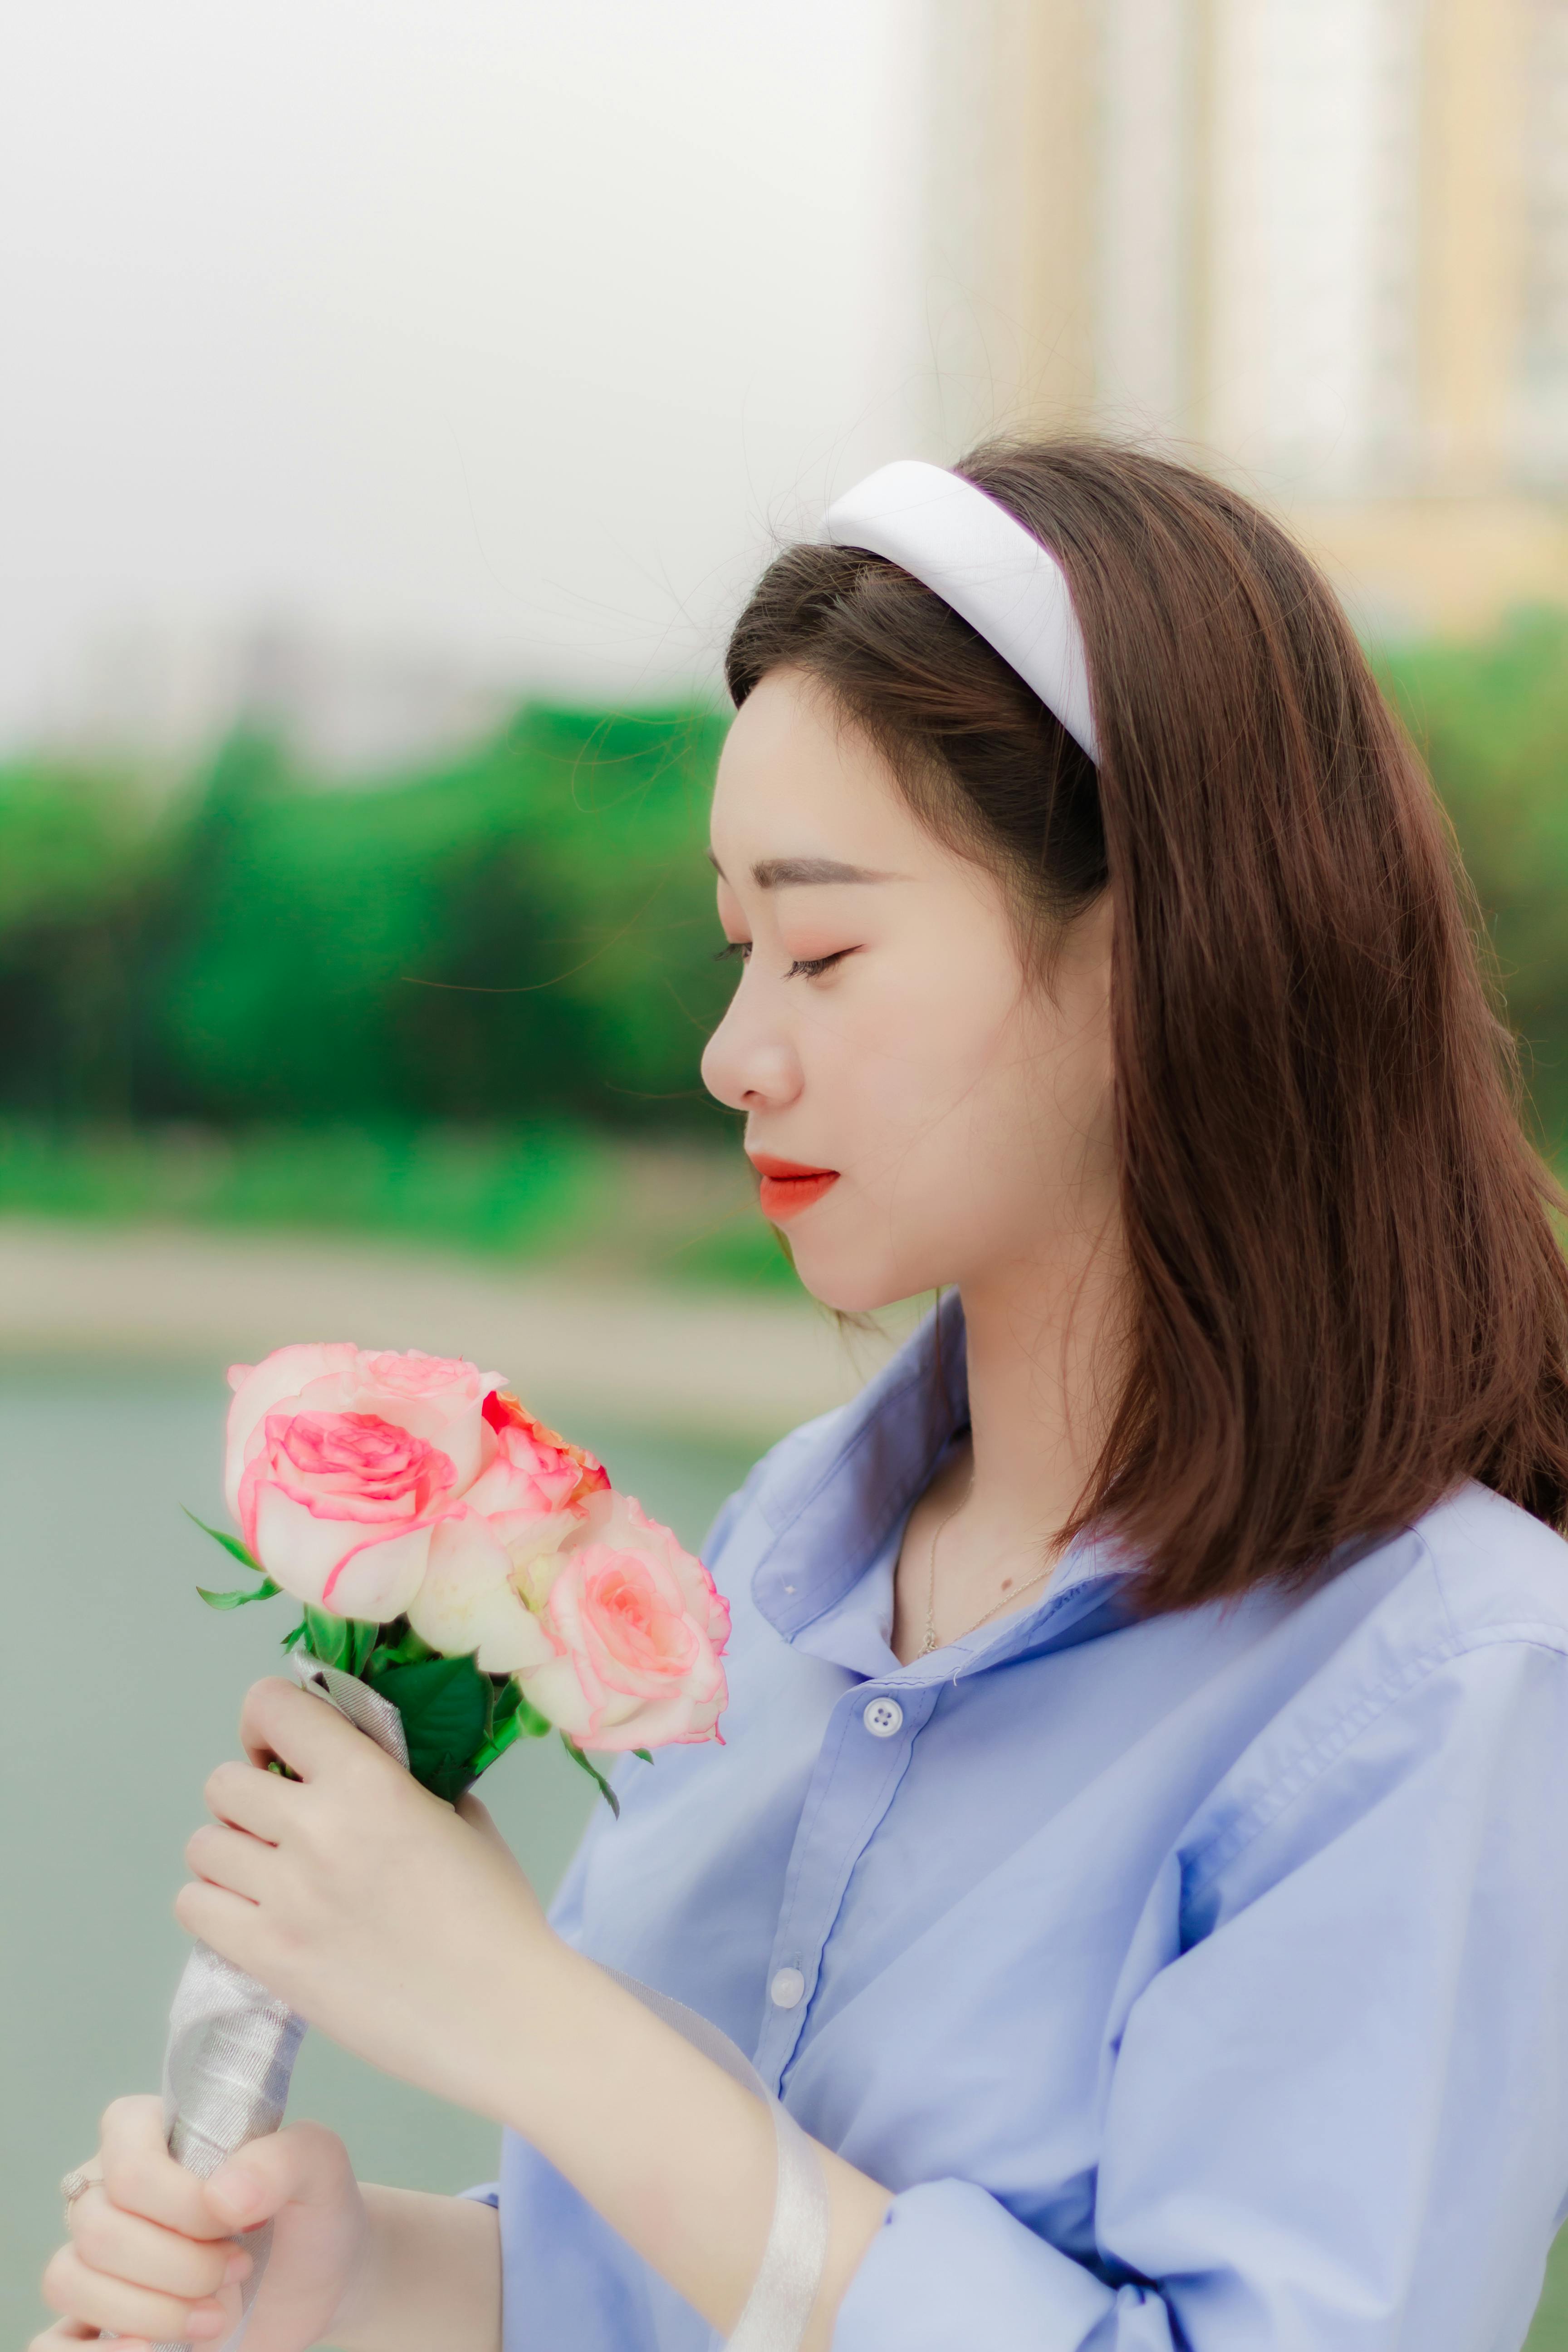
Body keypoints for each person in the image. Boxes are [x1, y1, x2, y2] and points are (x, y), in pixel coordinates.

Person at [35, 440, 1568, 2352]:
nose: (734, 1050)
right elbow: (645, 2277)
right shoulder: (775, 1552)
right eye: (736, 943)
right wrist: (353, 2279)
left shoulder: (1439, 1678)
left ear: (1166, 948)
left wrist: (526, 2011)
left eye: (826, 949)